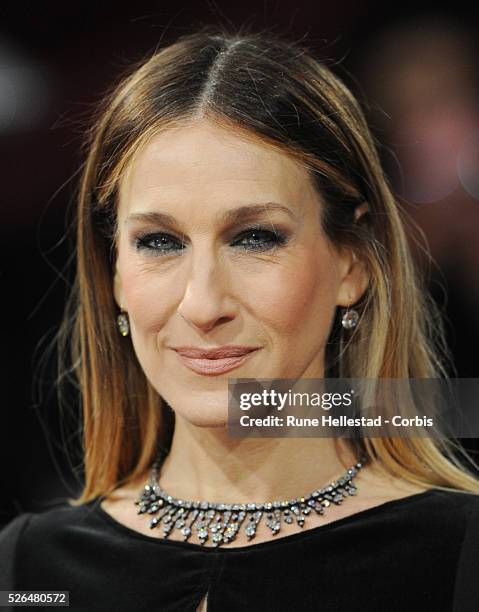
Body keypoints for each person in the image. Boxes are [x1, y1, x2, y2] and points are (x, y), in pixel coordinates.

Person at [1, 25, 479, 612]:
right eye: (159, 242)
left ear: (352, 263)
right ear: (114, 275)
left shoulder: (457, 554)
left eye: (254, 238)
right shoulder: (29, 571)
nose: (203, 305)